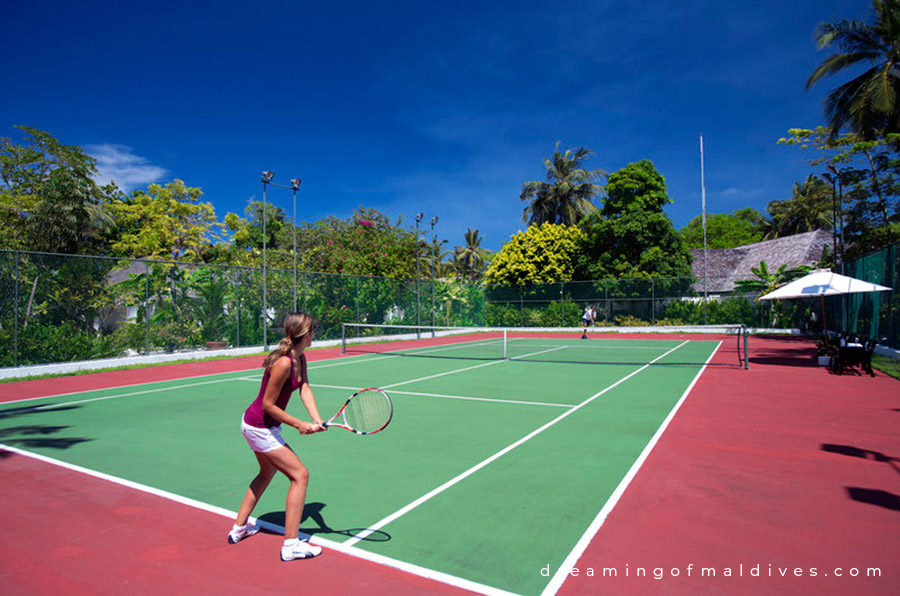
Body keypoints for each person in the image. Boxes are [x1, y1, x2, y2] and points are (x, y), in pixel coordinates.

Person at [228, 312, 327, 561]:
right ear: (306, 334)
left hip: (260, 425)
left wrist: (316, 418)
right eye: (314, 329)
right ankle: (291, 546)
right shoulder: (283, 363)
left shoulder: (300, 358)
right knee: (300, 475)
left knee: (266, 472)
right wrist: (299, 424)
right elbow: (268, 405)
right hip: (259, 426)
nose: (315, 333)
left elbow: (304, 387)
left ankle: (239, 528)